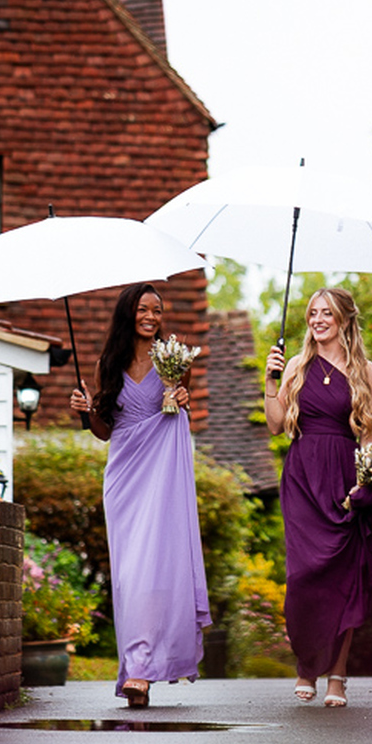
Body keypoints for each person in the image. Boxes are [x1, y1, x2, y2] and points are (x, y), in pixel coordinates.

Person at [69, 283, 211, 708]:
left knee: (156, 570)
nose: (152, 316)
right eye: (144, 309)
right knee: (130, 575)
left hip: (162, 474)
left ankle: (140, 672)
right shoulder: (106, 365)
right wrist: (85, 412)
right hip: (125, 478)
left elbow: (181, 406)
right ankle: (135, 665)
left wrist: (181, 397)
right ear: (128, 313)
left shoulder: (174, 361)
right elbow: (105, 431)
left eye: (158, 310)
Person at [265, 288, 372, 709]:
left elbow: (369, 435)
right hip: (301, 478)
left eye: (326, 313)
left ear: (344, 320)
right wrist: (271, 379)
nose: (317, 320)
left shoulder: (364, 371)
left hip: (344, 478)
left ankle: (337, 674)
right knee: (302, 578)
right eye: (312, 313)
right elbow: (277, 426)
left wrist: (366, 482)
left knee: (344, 580)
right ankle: (306, 666)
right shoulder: (297, 365)